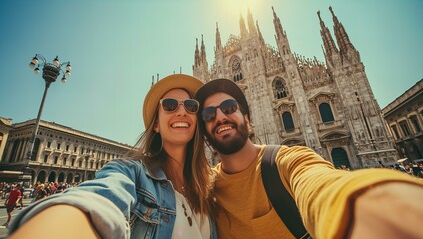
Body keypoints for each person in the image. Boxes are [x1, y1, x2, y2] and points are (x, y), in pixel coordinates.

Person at [195, 78, 423, 239]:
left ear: (248, 120)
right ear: (204, 133)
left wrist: (382, 209)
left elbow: (322, 185)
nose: (220, 117)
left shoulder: (287, 161)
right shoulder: (205, 187)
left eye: (229, 107)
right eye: (208, 115)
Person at [8, 74, 216, 239]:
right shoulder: (133, 175)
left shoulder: (208, 186)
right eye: (170, 105)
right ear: (155, 124)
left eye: (190, 106)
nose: (181, 111)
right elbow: (98, 201)